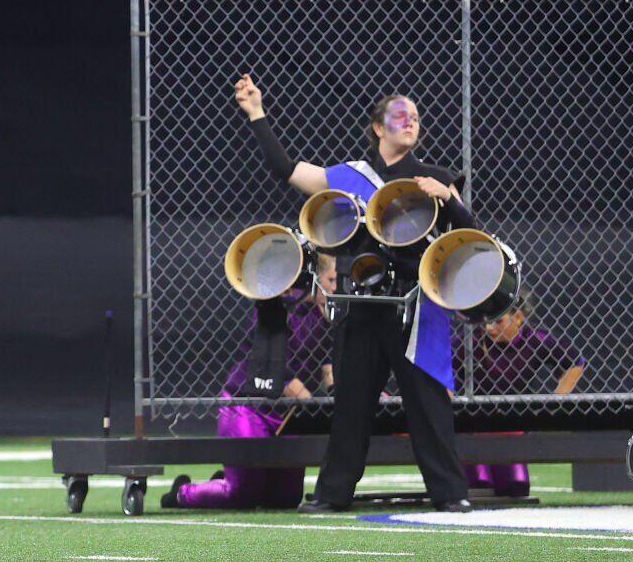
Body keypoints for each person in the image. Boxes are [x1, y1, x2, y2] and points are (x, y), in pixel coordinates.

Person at [235, 74, 476, 513]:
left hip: (415, 308)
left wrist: (450, 200)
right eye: (400, 116)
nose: (410, 122)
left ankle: (450, 493)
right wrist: (257, 114)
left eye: (416, 117)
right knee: (351, 403)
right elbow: (287, 170)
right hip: (363, 305)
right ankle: (332, 494)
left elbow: (471, 239)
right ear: (378, 127)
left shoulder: (435, 178)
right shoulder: (347, 177)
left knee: (427, 404)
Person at [164, 256, 336, 510]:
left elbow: (328, 364)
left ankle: (225, 480)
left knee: (285, 500)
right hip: (248, 406)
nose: (335, 288)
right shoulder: (277, 310)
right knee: (242, 496)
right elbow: (282, 374)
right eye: (331, 280)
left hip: (289, 414)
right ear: (314, 279)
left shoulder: (324, 318)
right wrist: (313, 406)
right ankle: (182, 492)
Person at [461, 290, 586, 498]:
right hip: (476, 426)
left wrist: (558, 398)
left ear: (518, 318)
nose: (490, 328)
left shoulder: (534, 340)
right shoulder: (473, 340)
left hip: (513, 428)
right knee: (479, 484)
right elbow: (442, 362)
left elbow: (575, 361)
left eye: (497, 322)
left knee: (516, 487)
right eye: (487, 322)